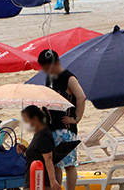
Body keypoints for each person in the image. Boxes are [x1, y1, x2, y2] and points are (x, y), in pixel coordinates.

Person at [38, 50, 86, 190]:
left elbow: (81, 97)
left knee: (69, 164)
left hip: (66, 127)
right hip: (51, 127)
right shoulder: (49, 78)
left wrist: (76, 118)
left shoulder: (68, 77)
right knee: (55, 164)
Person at [20, 105, 60, 190]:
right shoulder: (38, 133)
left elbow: (48, 158)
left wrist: (52, 181)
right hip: (33, 179)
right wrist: (26, 150)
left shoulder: (44, 135)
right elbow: (38, 153)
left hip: (41, 181)